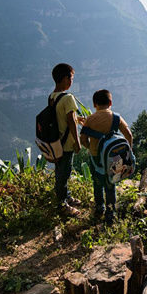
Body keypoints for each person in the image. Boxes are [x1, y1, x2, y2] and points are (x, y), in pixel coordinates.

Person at [80, 89, 133, 225]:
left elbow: (83, 139)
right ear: (110, 102)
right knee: (111, 184)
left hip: (96, 158)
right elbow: (129, 135)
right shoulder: (116, 117)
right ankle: (111, 213)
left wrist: (90, 148)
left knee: (97, 184)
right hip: (113, 158)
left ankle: (99, 208)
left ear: (94, 104)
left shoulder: (90, 119)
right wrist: (128, 153)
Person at [49, 63, 84, 216]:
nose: (72, 82)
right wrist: (78, 143)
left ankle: (66, 196)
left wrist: (78, 119)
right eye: (72, 78)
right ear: (65, 79)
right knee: (64, 173)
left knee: (60, 171)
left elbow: (59, 117)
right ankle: (62, 204)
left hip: (56, 142)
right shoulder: (68, 98)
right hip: (66, 143)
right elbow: (70, 122)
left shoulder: (52, 96)